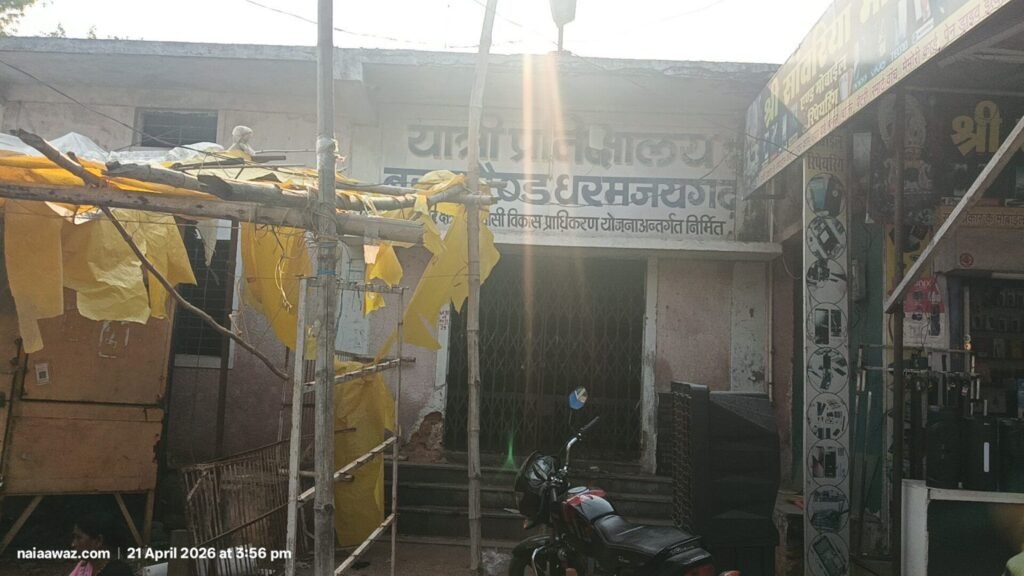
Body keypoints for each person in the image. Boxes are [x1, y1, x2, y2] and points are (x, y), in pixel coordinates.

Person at [68, 511, 133, 576]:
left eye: (78, 538)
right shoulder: (84, 568)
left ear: (98, 541)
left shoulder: (118, 572)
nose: (73, 544)